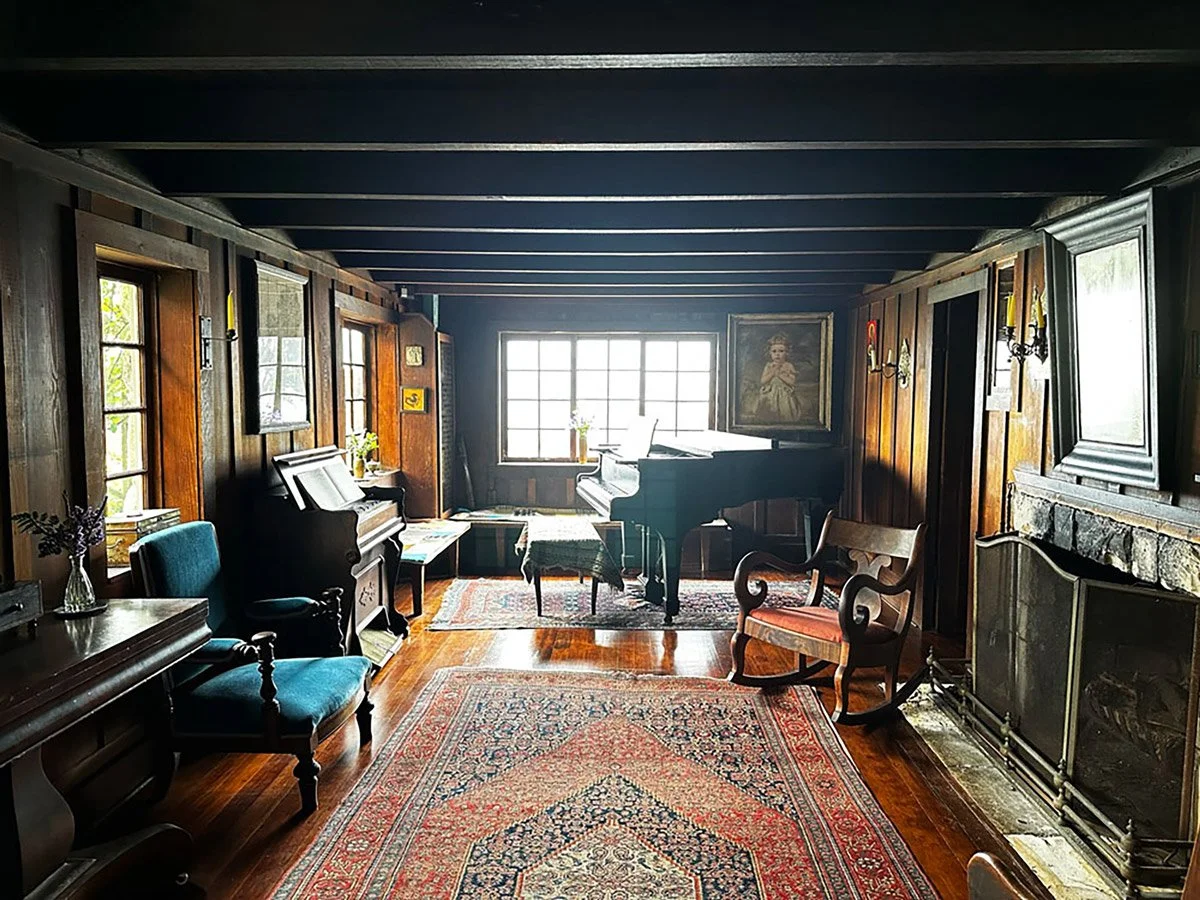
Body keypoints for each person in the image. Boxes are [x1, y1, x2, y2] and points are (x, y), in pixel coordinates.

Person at [749, 332, 802, 423]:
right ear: (770, 353)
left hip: (784, 394)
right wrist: (773, 373)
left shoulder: (788, 366)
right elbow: (763, 381)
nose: (777, 354)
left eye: (781, 351)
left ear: (787, 353)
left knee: (785, 412)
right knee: (768, 411)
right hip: (770, 392)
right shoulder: (769, 366)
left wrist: (780, 375)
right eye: (774, 351)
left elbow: (792, 382)